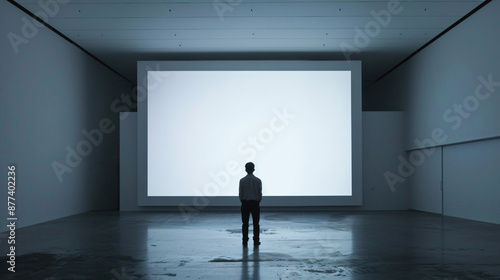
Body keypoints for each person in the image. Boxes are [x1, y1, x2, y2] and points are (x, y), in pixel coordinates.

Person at [239, 162, 262, 247]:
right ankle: (256, 240)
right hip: (255, 203)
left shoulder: (242, 180)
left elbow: (240, 194)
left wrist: (243, 201)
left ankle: (244, 240)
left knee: (245, 223)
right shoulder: (258, 180)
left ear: (245, 169)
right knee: (256, 223)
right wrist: (257, 201)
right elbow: (260, 193)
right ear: (253, 169)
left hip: (245, 203)